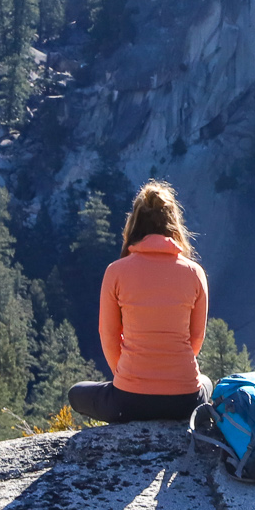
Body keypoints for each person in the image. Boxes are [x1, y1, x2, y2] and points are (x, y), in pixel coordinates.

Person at [67, 181, 211, 424]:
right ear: (174, 225)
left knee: (76, 393)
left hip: (129, 402)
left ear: (134, 225)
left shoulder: (116, 272)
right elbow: (195, 340)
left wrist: (130, 378)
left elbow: (109, 336)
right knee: (207, 382)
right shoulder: (194, 272)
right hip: (185, 402)